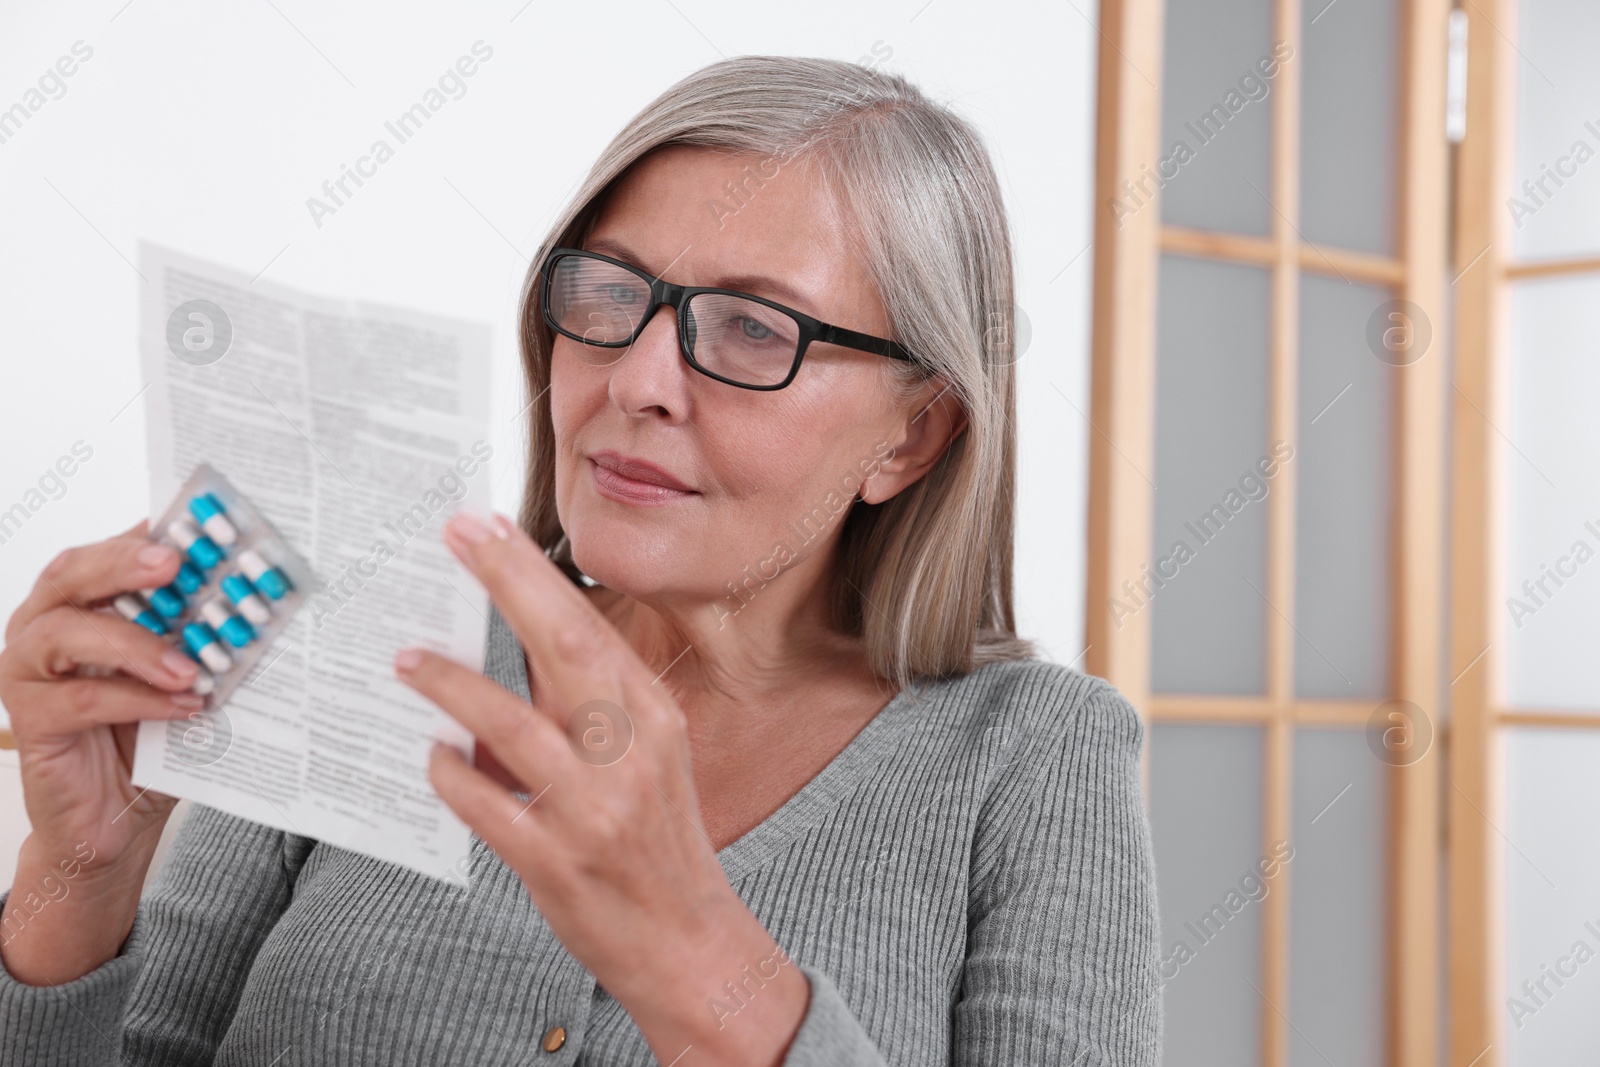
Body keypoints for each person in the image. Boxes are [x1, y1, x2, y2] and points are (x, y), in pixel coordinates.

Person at [0, 55, 1161, 1065]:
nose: (636, 381)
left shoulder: (1033, 754)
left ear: (910, 437)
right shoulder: (385, 642)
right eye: (609, 294)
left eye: (754, 327)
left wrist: (687, 944)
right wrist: (79, 884)